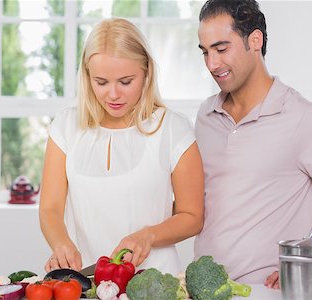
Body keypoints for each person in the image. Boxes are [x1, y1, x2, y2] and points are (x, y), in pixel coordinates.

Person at [193, 0, 312, 289]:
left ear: (255, 40)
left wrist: (303, 261)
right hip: (204, 290)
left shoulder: (304, 118)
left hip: (268, 291)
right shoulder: (205, 115)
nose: (212, 64)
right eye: (205, 52)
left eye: (222, 49)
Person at [39, 18, 204, 276]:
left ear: (146, 73)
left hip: (155, 282)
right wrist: (62, 244)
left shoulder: (173, 128)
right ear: (87, 76)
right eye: (101, 82)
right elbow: (50, 208)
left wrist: (148, 236)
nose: (113, 94)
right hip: (87, 281)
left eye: (126, 81)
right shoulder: (67, 126)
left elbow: (192, 215)